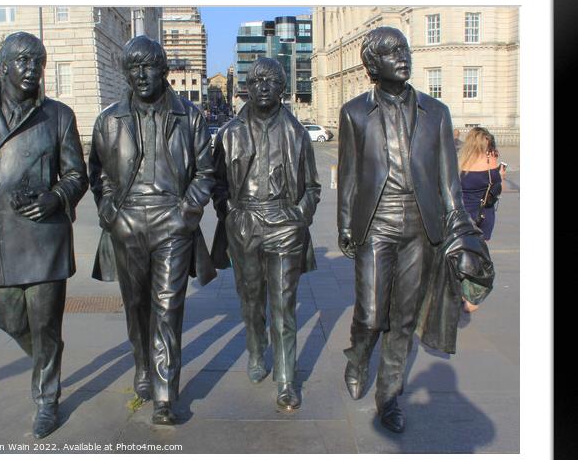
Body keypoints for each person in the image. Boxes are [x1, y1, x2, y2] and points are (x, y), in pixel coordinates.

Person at [0, 32, 88, 439]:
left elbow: (78, 174)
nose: (31, 70)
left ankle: (46, 399)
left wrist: (56, 197)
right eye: (23, 61)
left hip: (44, 236)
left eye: (38, 62)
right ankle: (49, 357)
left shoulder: (58, 116)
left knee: (45, 325)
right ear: (3, 66)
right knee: (9, 320)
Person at [337, 26, 481, 433]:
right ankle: (358, 356)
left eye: (404, 48)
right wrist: (346, 225)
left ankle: (389, 397)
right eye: (390, 52)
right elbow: (348, 175)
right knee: (369, 314)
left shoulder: (436, 113)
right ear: (372, 65)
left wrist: (461, 233)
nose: (403, 56)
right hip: (376, 222)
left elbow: (448, 182)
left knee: (402, 319)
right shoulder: (354, 113)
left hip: (421, 224)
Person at [88, 36, 216, 426]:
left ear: (164, 70)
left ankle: (164, 393)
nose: (141, 75)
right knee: (136, 304)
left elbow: (205, 172)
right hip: (127, 223)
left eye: (149, 66)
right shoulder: (109, 119)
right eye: (134, 67)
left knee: (167, 306)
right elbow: (99, 175)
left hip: (172, 222)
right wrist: (111, 213)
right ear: (126, 73)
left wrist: (186, 213)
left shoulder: (189, 116)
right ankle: (143, 364)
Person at [211, 58, 321, 411]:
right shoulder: (229, 133)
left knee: (284, 305)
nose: (262, 86)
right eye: (256, 80)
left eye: (271, 81)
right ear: (246, 87)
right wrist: (229, 213)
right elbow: (215, 183)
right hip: (245, 221)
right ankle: (257, 349)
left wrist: (299, 215)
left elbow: (313, 187)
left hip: (284, 223)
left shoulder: (297, 134)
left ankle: (287, 379)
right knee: (251, 299)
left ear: (282, 88)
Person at [458, 126, 506, 312]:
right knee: (478, 256)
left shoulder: (461, 161)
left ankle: (458, 290)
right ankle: (469, 297)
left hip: (461, 214)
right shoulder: (490, 164)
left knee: (463, 253)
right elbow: (494, 191)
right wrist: (500, 177)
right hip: (482, 216)